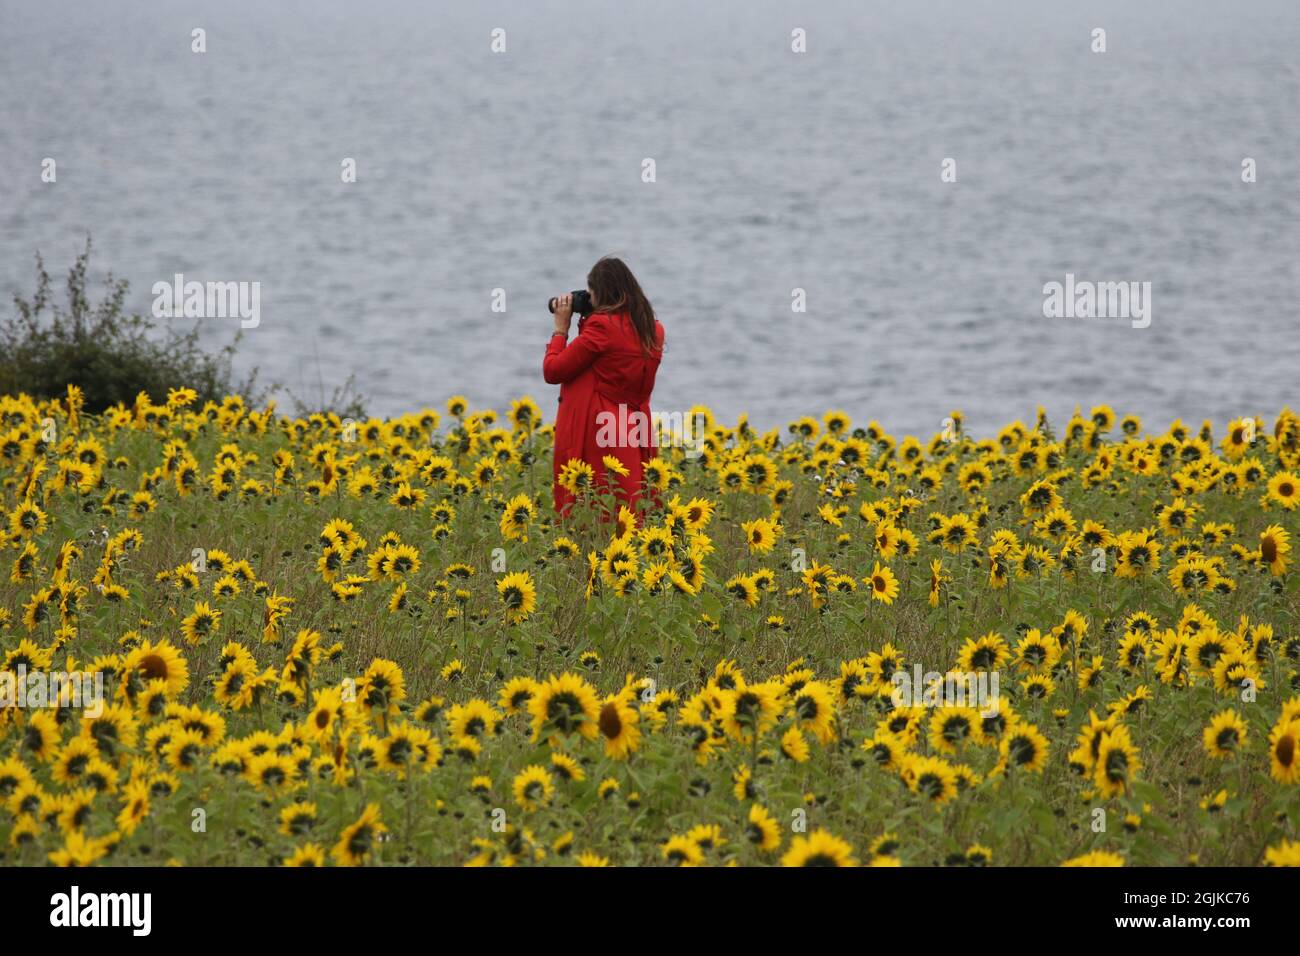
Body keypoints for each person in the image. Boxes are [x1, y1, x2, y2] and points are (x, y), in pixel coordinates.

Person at [543, 256, 665, 517]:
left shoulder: (601, 327)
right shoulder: (653, 329)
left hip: (597, 430)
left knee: (594, 506)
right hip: (633, 426)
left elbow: (554, 371)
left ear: (601, 294)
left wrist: (561, 330)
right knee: (631, 504)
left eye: (592, 294)